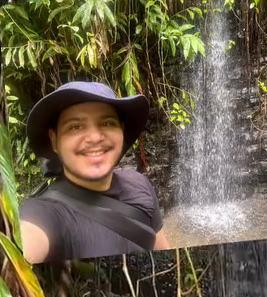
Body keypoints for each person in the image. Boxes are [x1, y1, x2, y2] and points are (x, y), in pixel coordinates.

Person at [19, 80, 172, 264]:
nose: (94, 137)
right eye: (75, 126)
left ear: (121, 131)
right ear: (54, 141)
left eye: (107, 123)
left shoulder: (140, 184)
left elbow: (164, 251)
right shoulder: (45, 214)